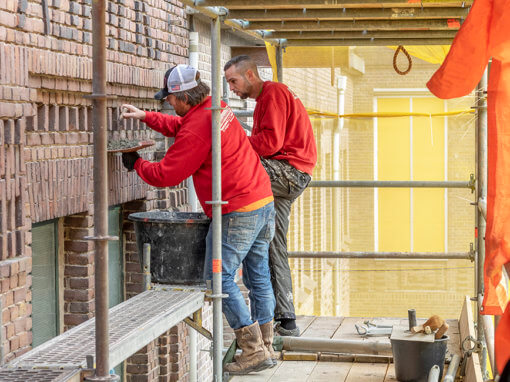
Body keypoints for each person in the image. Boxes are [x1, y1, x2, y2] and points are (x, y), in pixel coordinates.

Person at [120, 64, 277, 374]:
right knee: (258, 274)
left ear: (182, 97)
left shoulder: (197, 125)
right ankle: (267, 343)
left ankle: (252, 350)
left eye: (169, 100)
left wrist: (136, 163)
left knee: (218, 277)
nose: (168, 105)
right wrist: (145, 117)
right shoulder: (214, 106)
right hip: (262, 201)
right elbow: (185, 127)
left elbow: (167, 174)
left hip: (237, 210)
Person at [224, 55, 317, 337]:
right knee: (273, 242)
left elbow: (269, 144)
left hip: (288, 172)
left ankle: (232, 236)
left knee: (233, 161)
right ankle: (285, 319)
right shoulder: (266, 98)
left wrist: (233, 140)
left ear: (250, 74)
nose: (232, 89)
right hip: (287, 173)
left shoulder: (272, 93)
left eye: (233, 81)